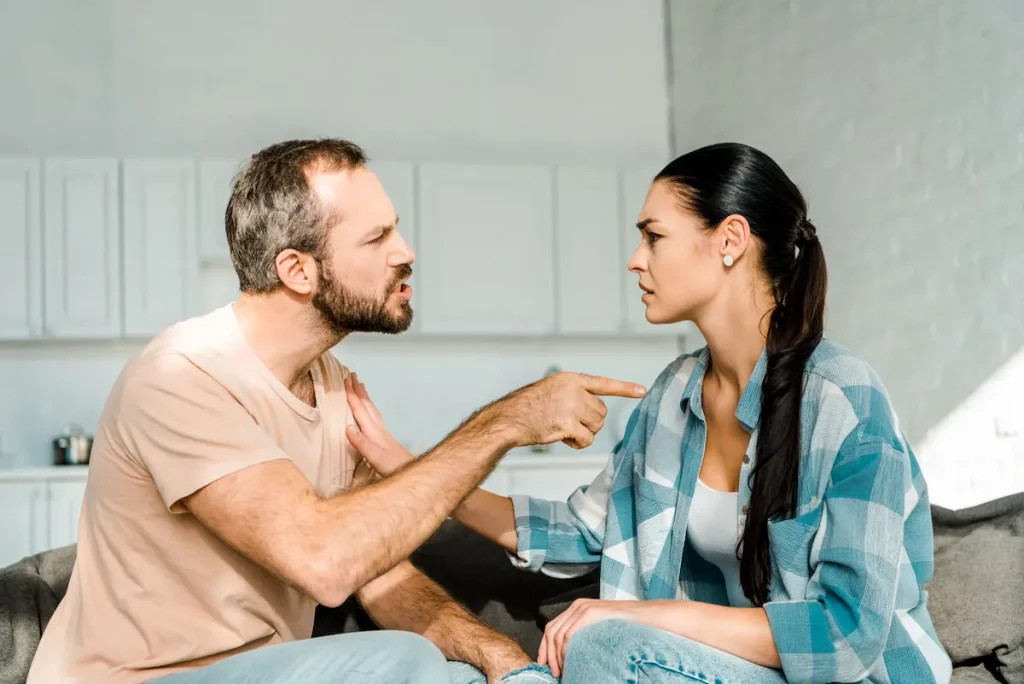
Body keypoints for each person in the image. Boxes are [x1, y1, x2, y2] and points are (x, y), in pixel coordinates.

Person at [26, 139, 645, 684]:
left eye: (394, 229)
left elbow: (375, 574)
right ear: (297, 269)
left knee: (459, 674)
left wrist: (500, 656)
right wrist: (509, 421)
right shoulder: (182, 376)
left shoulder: (330, 383)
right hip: (139, 680)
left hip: (264, 670)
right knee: (407, 667)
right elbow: (327, 565)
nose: (406, 251)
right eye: (376, 238)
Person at [348, 142, 955, 684]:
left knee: (610, 644)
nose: (636, 260)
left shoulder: (843, 401)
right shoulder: (674, 395)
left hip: (848, 679)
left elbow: (845, 636)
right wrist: (410, 469)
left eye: (654, 237)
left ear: (730, 240)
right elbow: (582, 532)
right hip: (715, 672)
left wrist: (640, 615)